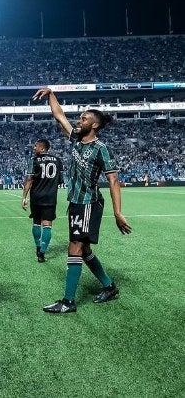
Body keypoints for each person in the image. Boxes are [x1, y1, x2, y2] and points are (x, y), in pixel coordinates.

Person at [33, 88, 132, 314]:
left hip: (88, 203)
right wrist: (51, 94)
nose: (80, 120)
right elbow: (59, 115)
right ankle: (109, 286)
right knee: (84, 248)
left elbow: (113, 180)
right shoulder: (77, 140)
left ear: (94, 125)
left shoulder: (101, 149)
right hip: (76, 202)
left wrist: (118, 212)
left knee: (75, 247)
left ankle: (68, 302)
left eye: (84, 118)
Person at [21, 139, 63, 263]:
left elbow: (29, 180)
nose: (34, 148)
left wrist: (24, 197)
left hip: (36, 197)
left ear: (43, 148)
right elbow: (60, 181)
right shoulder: (58, 161)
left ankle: (38, 247)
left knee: (36, 222)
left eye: (36, 146)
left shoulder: (33, 161)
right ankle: (42, 253)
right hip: (50, 198)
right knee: (47, 225)